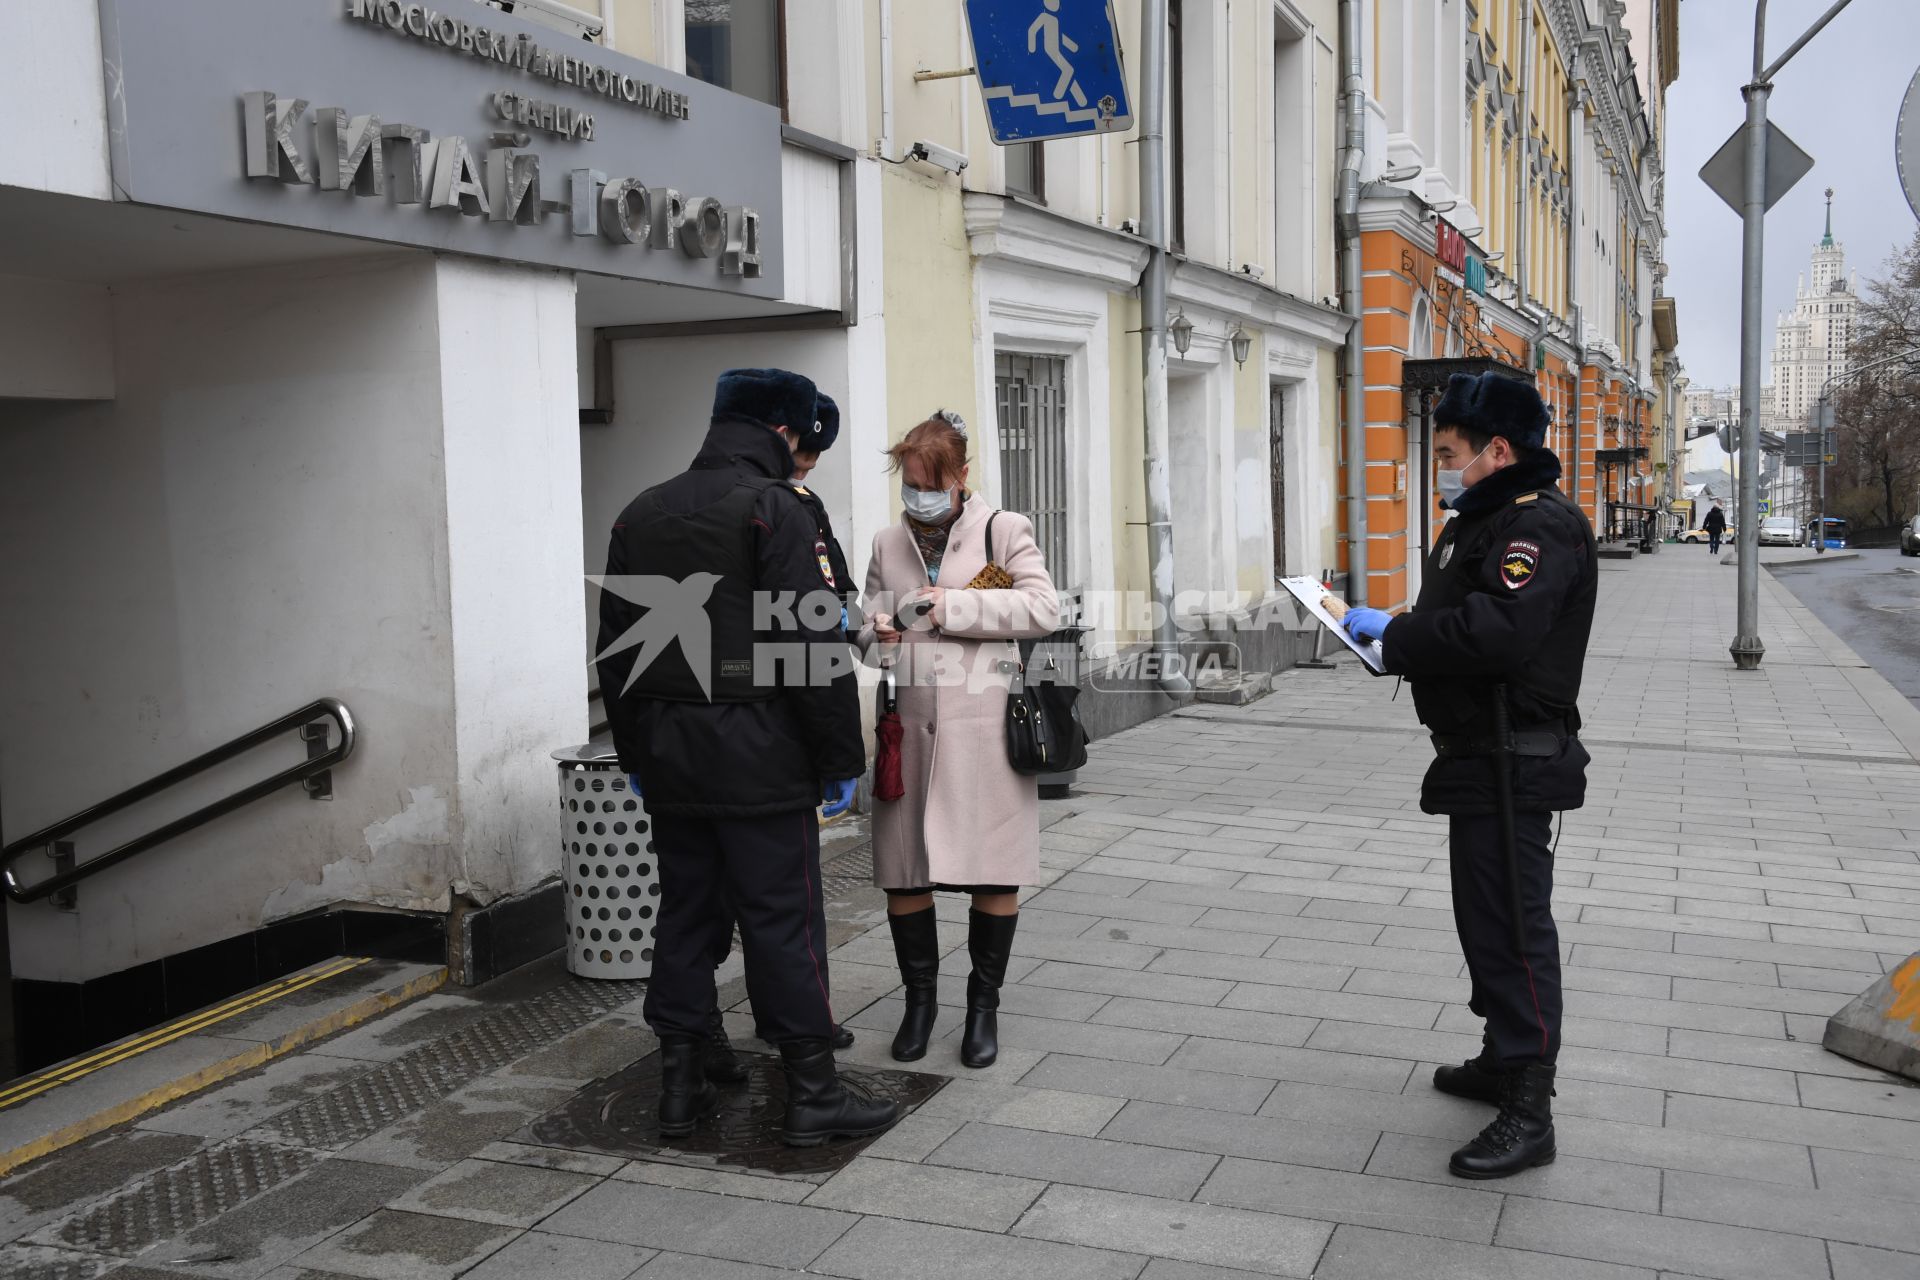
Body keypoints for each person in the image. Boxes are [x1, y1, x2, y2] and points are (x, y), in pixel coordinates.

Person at [595, 367, 896, 1148]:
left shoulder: (642, 509)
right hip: (761, 755)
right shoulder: (777, 508)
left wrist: (635, 751)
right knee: (779, 919)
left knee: (687, 913)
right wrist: (841, 757)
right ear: (787, 432)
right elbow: (811, 645)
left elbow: (617, 654)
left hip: (669, 754)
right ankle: (812, 1092)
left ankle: (680, 1082)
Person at [1341, 371, 1597, 1180]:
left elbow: (1497, 633)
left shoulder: (1538, 526)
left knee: (1518, 932)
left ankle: (1530, 1104)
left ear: (1496, 449)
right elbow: (1457, 626)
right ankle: (1500, 1058)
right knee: (1483, 921)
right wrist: (1391, 642)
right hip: (1475, 757)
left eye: (1449, 452)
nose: (1441, 467)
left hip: (1515, 756)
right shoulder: (1479, 522)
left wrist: (1401, 633)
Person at [858, 410, 1060, 1069]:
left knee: (993, 870)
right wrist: (877, 636)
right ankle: (920, 1005)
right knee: (903, 872)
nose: (918, 496)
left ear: (960, 476)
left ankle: (983, 1009)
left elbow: (1041, 608)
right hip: (909, 734)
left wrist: (950, 605)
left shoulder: (1004, 530)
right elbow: (864, 627)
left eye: (930, 483)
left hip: (986, 734)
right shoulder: (888, 543)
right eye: (910, 483)